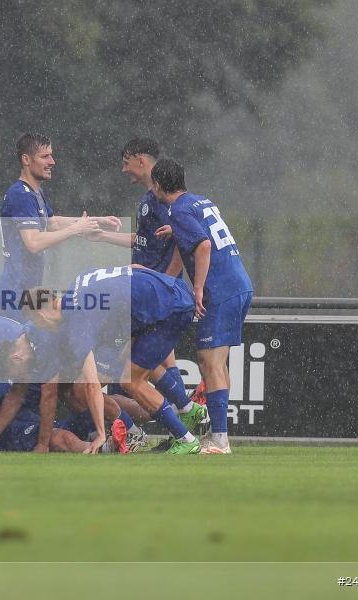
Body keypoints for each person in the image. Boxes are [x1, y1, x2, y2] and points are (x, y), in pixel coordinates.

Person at [88, 139, 205, 448]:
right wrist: (103, 237)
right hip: (148, 295)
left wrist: (164, 283)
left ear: (140, 160)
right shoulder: (148, 198)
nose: (123, 168)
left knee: (141, 368)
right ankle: (187, 421)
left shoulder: (165, 198)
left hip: (155, 298)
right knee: (153, 365)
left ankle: (187, 424)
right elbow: (141, 240)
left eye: (126, 162)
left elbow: (183, 239)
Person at [22, 266, 206, 454]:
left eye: (36, 322)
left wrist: (102, 434)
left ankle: (187, 439)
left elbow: (91, 385)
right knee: (136, 365)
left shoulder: (77, 321)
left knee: (132, 380)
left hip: (168, 309)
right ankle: (188, 407)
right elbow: (134, 268)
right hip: (172, 289)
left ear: (41, 315)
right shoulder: (81, 278)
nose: (42, 328)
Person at [150, 158, 254, 454]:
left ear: (157, 185)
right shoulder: (198, 202)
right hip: (239, 284)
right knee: (216, 361)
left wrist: (197, 288)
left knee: (209, 361)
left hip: (220, 290)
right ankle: (217, 433)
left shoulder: (177, 210)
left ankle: (220, 440)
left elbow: (204, 245)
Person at [0, 133, 117, 322]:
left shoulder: (34, 192)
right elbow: (34, 243)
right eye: (45, 156)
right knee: (19, 349)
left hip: (28, 289)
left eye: (51, 155)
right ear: (26, 159)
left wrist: (95, 221)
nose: (52, 161)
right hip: (15, 290)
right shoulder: (21, 195)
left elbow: (52, 222)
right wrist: (76, 229)